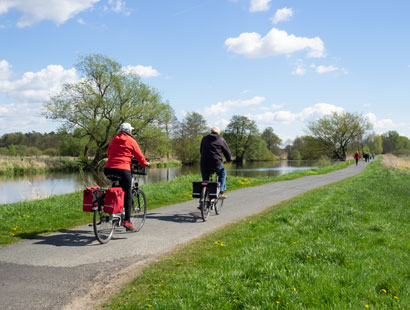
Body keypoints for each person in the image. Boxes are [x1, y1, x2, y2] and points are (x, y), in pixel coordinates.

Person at [104, 122, 149, 231]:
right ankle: (127, 221)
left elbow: (108, 153)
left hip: (108, 169)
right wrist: (145, 164)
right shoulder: (131, 141)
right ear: (129, 131)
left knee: (114, 189)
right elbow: (139, 155)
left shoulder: (113, 139)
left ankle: (111, 208)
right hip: (123, 169)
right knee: (128, 193)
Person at [200, 126, 232, 199]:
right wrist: (229, 160)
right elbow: (227, 152)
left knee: (205, 179)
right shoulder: (221, 140)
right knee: (222, 173)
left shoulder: (204, 139)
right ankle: (221, 192)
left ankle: (204, 195)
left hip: (204, 163)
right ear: (218, 133)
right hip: (216, 163)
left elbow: (201, 151)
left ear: (211, 132)